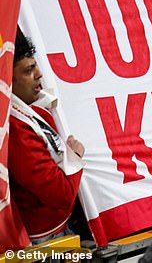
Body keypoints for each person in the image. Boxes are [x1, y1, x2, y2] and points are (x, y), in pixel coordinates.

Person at [9, 31, 85, 244]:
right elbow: (61, 194)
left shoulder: (30, 111)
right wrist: (75, 157)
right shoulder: (16, 130)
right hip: (46, 242)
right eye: (29, 70)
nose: (40, 74)